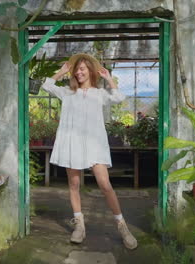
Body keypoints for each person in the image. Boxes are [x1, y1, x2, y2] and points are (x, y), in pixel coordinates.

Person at [41, 53, 137, 249]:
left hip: (95, 145)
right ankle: (80, 225)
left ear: (91, 71)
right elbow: (47, 86)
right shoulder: (67, 93)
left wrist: (109, 78)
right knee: (74, 184)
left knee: (105, 184)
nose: (78, 72)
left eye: (82, 68)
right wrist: (61, 72)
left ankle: (122, 226)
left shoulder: (99, 94)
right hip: (72, 144)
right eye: (76, 69)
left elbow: (119, 98)